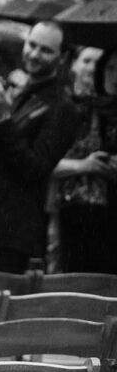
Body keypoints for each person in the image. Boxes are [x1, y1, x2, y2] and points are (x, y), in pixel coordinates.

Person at [0, 21, 82, 273]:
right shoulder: (10, 89)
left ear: (63, 57)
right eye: (32, 45)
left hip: (11, 234)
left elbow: (34, 169)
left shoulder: (63, 107)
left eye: (46, 50)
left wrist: (3, 119)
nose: (34, 54)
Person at [53, 46, 117, 273]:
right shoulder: (75, 110)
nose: (115, 75)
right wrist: (86, 165)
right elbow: (45, 163)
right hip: (79, 214)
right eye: (110, 68)